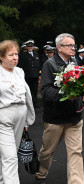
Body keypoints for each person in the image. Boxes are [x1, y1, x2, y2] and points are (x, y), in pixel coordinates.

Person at [35, 33, 84, 184]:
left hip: (74, 116)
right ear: (59, 48)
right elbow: (45, 91)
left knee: (76, 152)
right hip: (55, 118)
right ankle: (41, 173)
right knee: (47, 151)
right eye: (68, 45)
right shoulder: (49, 64)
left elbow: (82, 83)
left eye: (73, 45)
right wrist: (65, 94)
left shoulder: (76, 62)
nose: (72, 48)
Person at [0, 40, 35, 184]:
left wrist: (27, 120)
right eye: (11, 55)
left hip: (21, 116)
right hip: (4, 117)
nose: (15, 58)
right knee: (10, 157)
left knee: (10, 154)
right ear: (1, 57)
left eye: (16, 54)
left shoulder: (20, 72)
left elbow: (27, 97)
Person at [18, 39, 41, 108]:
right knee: (28, 90)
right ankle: (28, 103)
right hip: (27, 75)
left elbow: (38, 65)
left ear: (33, 47)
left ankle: (35, 103)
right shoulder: (23, 55)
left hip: (35, 75)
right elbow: (20, 66)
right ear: (27, 47)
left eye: (31, 46)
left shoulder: (36, 54)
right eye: (29, 46)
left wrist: (39, 74)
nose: (30, 48)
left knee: (35, 90)